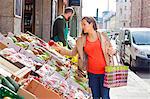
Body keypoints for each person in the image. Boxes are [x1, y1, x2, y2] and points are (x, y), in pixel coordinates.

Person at [52, 16, 116, 99]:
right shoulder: (81, 40)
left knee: (105, 96)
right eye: (81, 24)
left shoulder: (102, 36)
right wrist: (59, 49)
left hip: (105, 72)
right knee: (95, 96)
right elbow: (72, 53)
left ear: (91, 24)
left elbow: (113, 49)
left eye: (84, 24)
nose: (82, 27)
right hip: (92, 73)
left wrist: (113, 51)